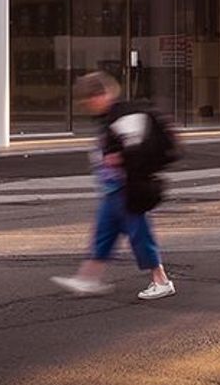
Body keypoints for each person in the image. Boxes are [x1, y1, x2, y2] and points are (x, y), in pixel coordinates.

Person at [52, 71, 177, 300]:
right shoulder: (110, 117)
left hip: (127, 189)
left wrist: (118, 160)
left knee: (140, 234)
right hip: (114, 190)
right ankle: (88, 279)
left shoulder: (123, 115)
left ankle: (161, 280)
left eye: (88, 100)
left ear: (100, 95)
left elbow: (136, 149)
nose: (87, 105)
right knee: (104, 234)